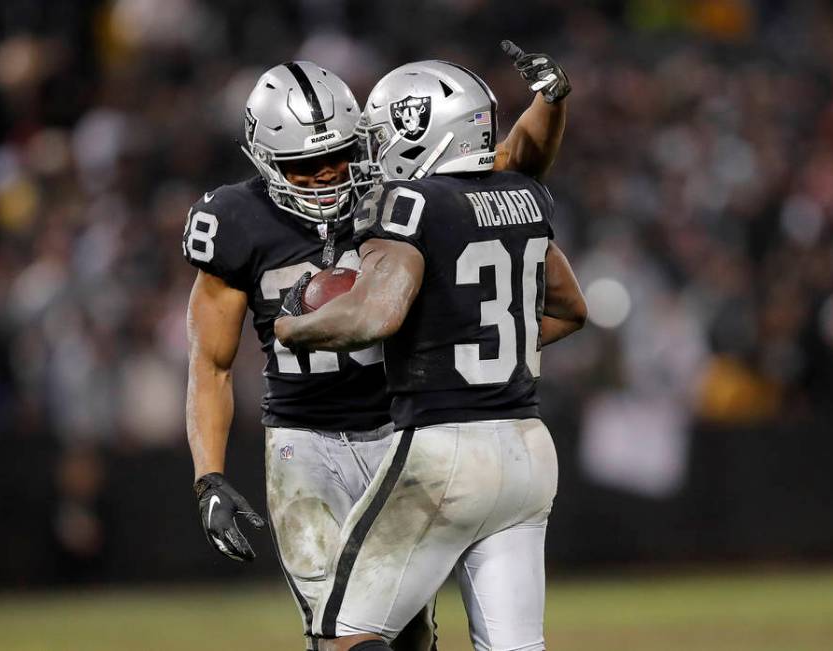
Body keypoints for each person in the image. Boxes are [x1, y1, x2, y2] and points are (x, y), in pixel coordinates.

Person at [183, 46, 570, 651]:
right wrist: (209, 477)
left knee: (405, 631)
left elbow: (506, 167)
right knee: (333, 627)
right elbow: (212, 363)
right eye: (303, 167)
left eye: (337, 159)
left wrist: (550, 102)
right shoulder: (233, 222)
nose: (325, 179)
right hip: (303, 443)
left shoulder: (401, 190)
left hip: (400, 433)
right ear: (263, 159)